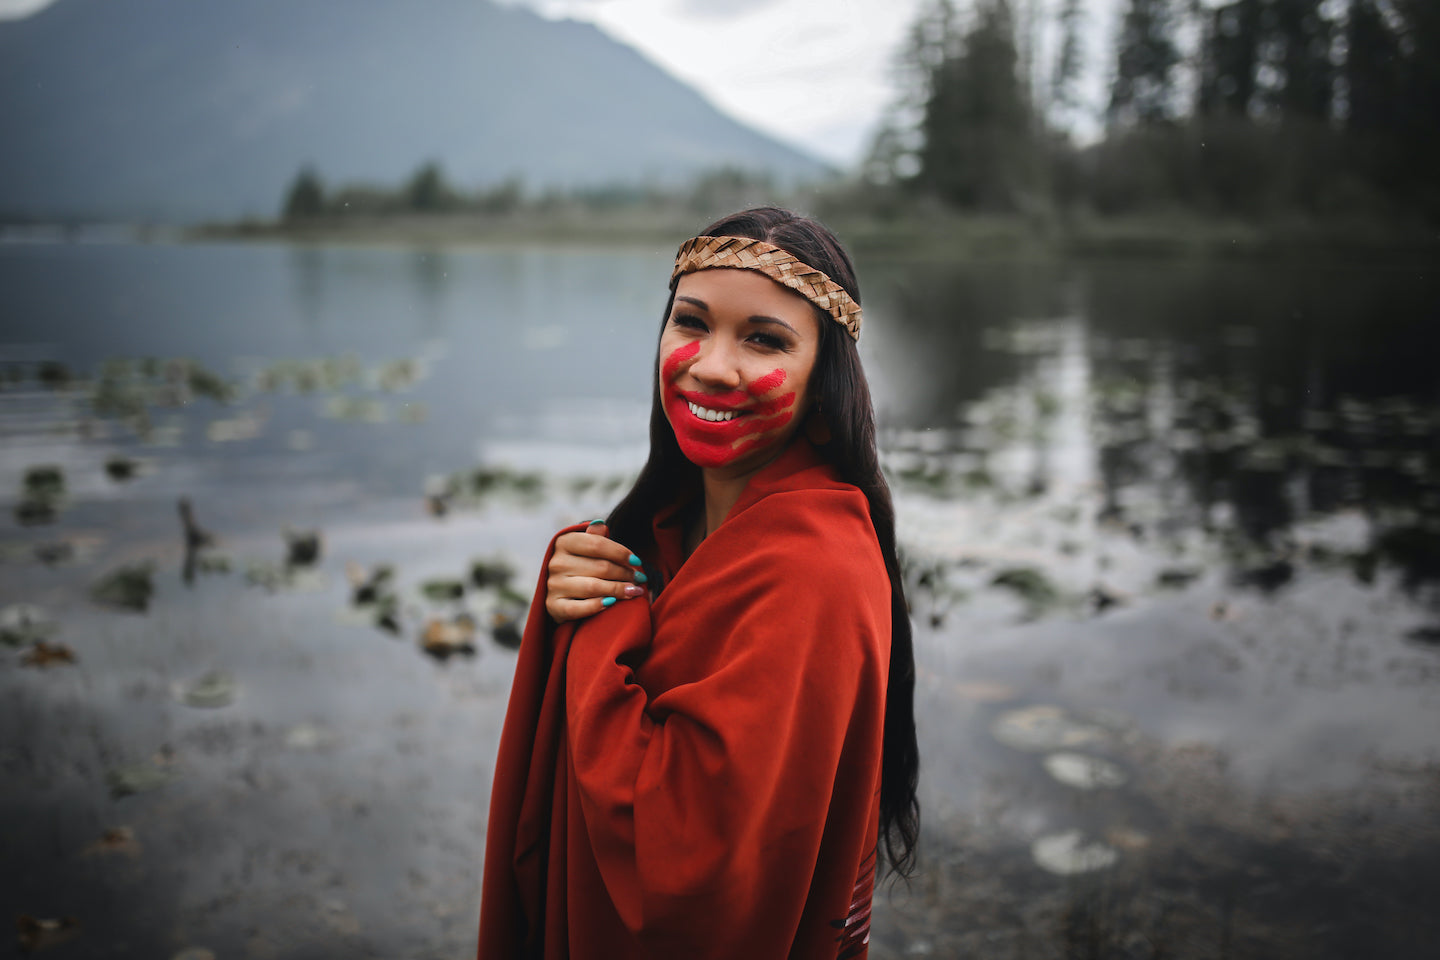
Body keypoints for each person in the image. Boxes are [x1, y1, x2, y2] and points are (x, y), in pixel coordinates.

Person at [478, 207, 919, 960]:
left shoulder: (819, 569)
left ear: (825, 386)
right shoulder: (665, 531)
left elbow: (684, 873)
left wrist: (601, 620)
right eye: (692, 323)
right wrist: (594, 578)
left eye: (765, 339)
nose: (712, 365)